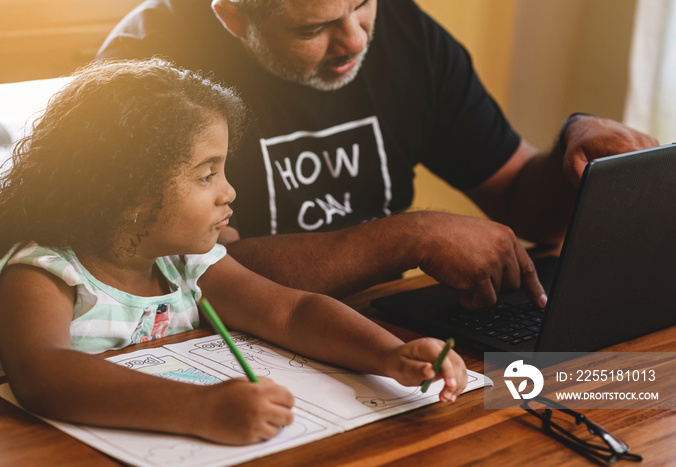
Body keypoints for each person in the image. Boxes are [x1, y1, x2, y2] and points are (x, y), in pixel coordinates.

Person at [0, 58, 467, 443]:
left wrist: (390, 354)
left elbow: (292, 312)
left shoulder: (189, 263)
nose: (228, 191)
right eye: (207, 174)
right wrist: (201, 408)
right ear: (128, 198)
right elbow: (44, 376)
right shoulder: (45, 274)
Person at [97, 0, 659, 310]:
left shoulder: (407, 34)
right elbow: (185, 273)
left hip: (384, 334)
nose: (357, 40)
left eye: (363, 4)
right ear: (233, 16)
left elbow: (519, 199)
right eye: (315, 26)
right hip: (233, 353)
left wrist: (578, 150)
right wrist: (406, 238)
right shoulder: (149, 70)